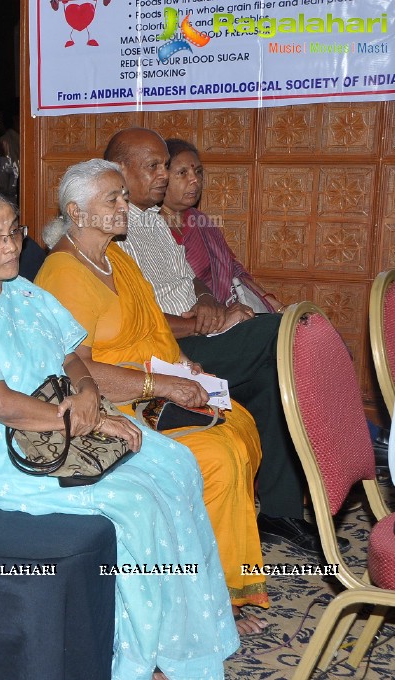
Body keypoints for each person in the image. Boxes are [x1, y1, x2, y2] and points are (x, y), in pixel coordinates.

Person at [0, 189, 240, 679]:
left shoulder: (21, 290)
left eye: (14, 232)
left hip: (60, 424)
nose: (10, 247)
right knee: (135, 504)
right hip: (0, 450)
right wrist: (86, 419)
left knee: (175, 465)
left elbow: (73, 354)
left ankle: (183, 642)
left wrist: (89, 393)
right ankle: (138, 655)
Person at [35, 159, 269, 634]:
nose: (126, 206)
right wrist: (158, 385)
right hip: (109, 407)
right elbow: (71, 367)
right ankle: (210, 594)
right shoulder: (64, 274)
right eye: (113, 199)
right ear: (76, 212)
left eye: (124, 195)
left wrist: (181, 366)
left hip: (150, 390)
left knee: (237, 422)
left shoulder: (115, 255)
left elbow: (153, 330)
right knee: (219, 453)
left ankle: (212, 577)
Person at [104, 127, 315, 554]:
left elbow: (190, 278)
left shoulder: (151, 219)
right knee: (286, 331)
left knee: (271, 380)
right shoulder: (112, 230)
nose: (164, 175)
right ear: (119, 171)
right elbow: (137, 323)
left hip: (197, 332)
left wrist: (206, 302)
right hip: (169, 354)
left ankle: (280, 510)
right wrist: (203, 326)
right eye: (155, 167)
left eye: (167, 165)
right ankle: (348, 440)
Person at [162, 139, 282, 313]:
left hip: (229, 311)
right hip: (186, 322)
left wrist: (274, 305)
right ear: (160, 177)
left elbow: (232, 269)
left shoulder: (201, 222)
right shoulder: (149, 230)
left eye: (198, 171)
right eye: (182, 172)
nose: (195, 179)